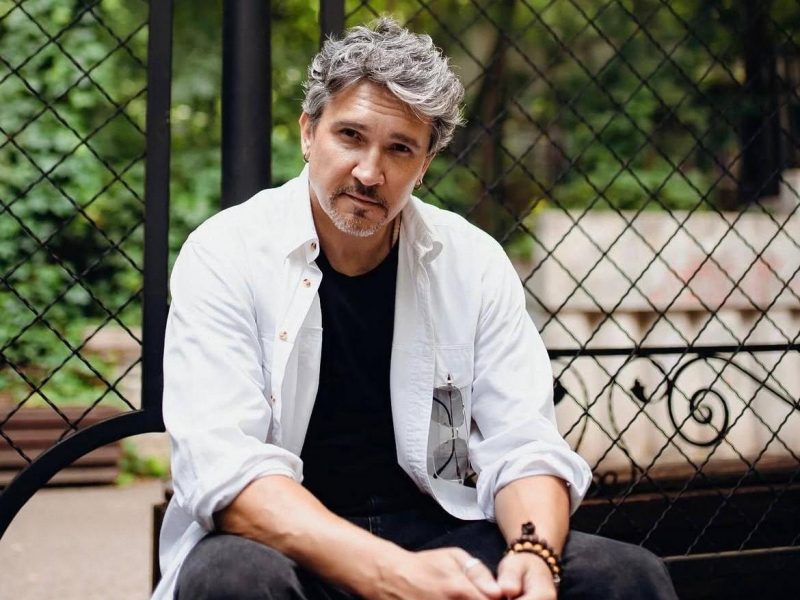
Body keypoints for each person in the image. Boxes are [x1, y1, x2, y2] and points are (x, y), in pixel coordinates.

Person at [152, 17, 678, 600]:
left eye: (399, 148)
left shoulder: (472, 262)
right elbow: (224, 469)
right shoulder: (226, 253)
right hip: (291, 541)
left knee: (625, 576)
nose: (369, 172)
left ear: (424, 165)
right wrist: (391, 573)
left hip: (437, 531)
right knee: (230, 579)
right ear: (308, 133)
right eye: (350, 136)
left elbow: (522, 444)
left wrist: (534, 554)